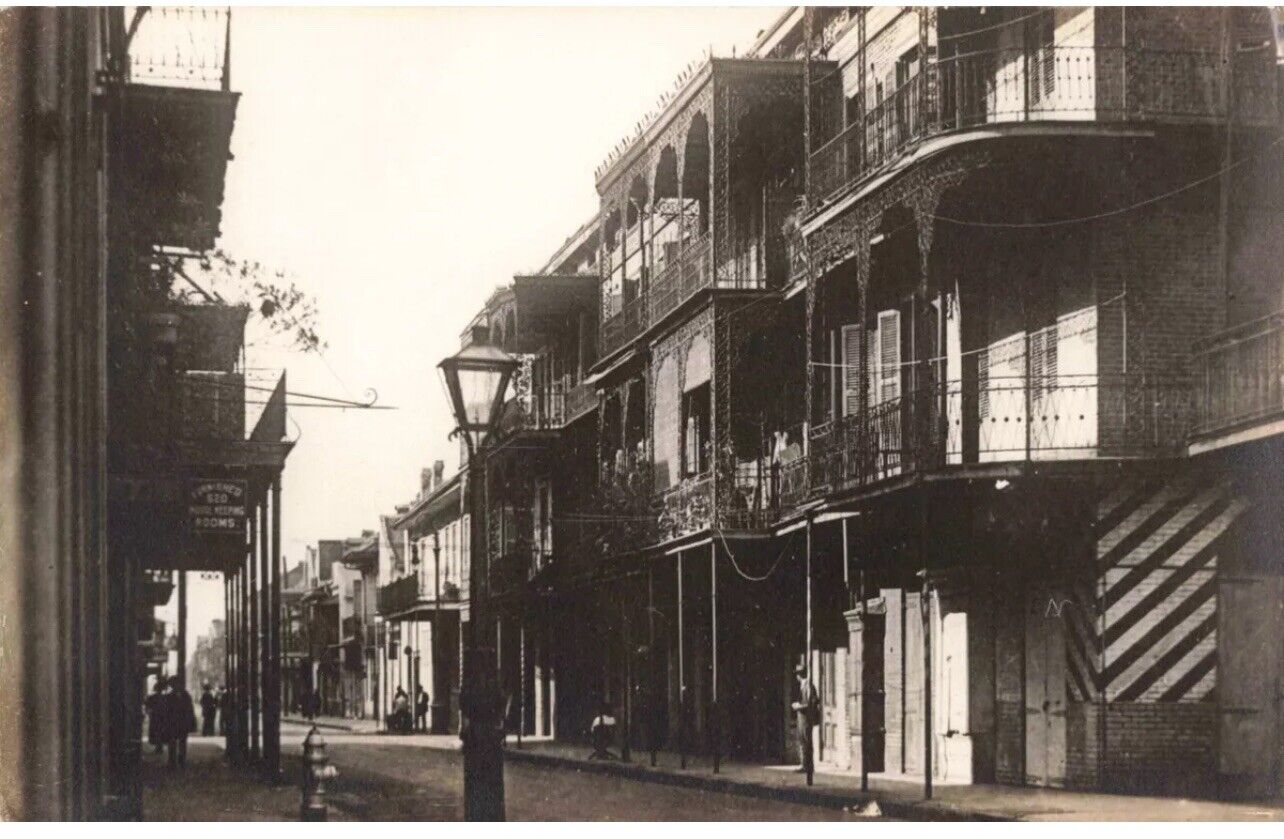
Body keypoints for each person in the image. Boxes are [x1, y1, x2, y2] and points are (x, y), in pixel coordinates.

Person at [790, 663, 820, 780]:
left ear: (799, 675)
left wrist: (799, 706)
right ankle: (805, 765)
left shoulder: (808, 685)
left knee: (806, 741)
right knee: (803, 740)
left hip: (806, 718)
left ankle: (808, 766)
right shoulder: (803, 685)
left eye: (798, 674)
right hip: (802, 718)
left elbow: (812, 702)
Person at [166, 676, 197, 768]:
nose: (174, 686)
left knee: (181, 742)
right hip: (173, 723)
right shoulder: (170, 696)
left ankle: (181, 760)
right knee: (173, 742)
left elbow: (190, 710)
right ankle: (172, 761)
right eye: (172, 685)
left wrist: (190, 721)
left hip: (182, 722)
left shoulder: (185, 696)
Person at [145, 680, 168, 755]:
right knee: (161, 731)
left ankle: (158, 747)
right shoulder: (165, 698)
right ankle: (159, 746)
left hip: (155, 717)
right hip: (162, 717)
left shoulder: (152, 697)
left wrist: (149, 713)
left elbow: (148, 707)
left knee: (156, 731)